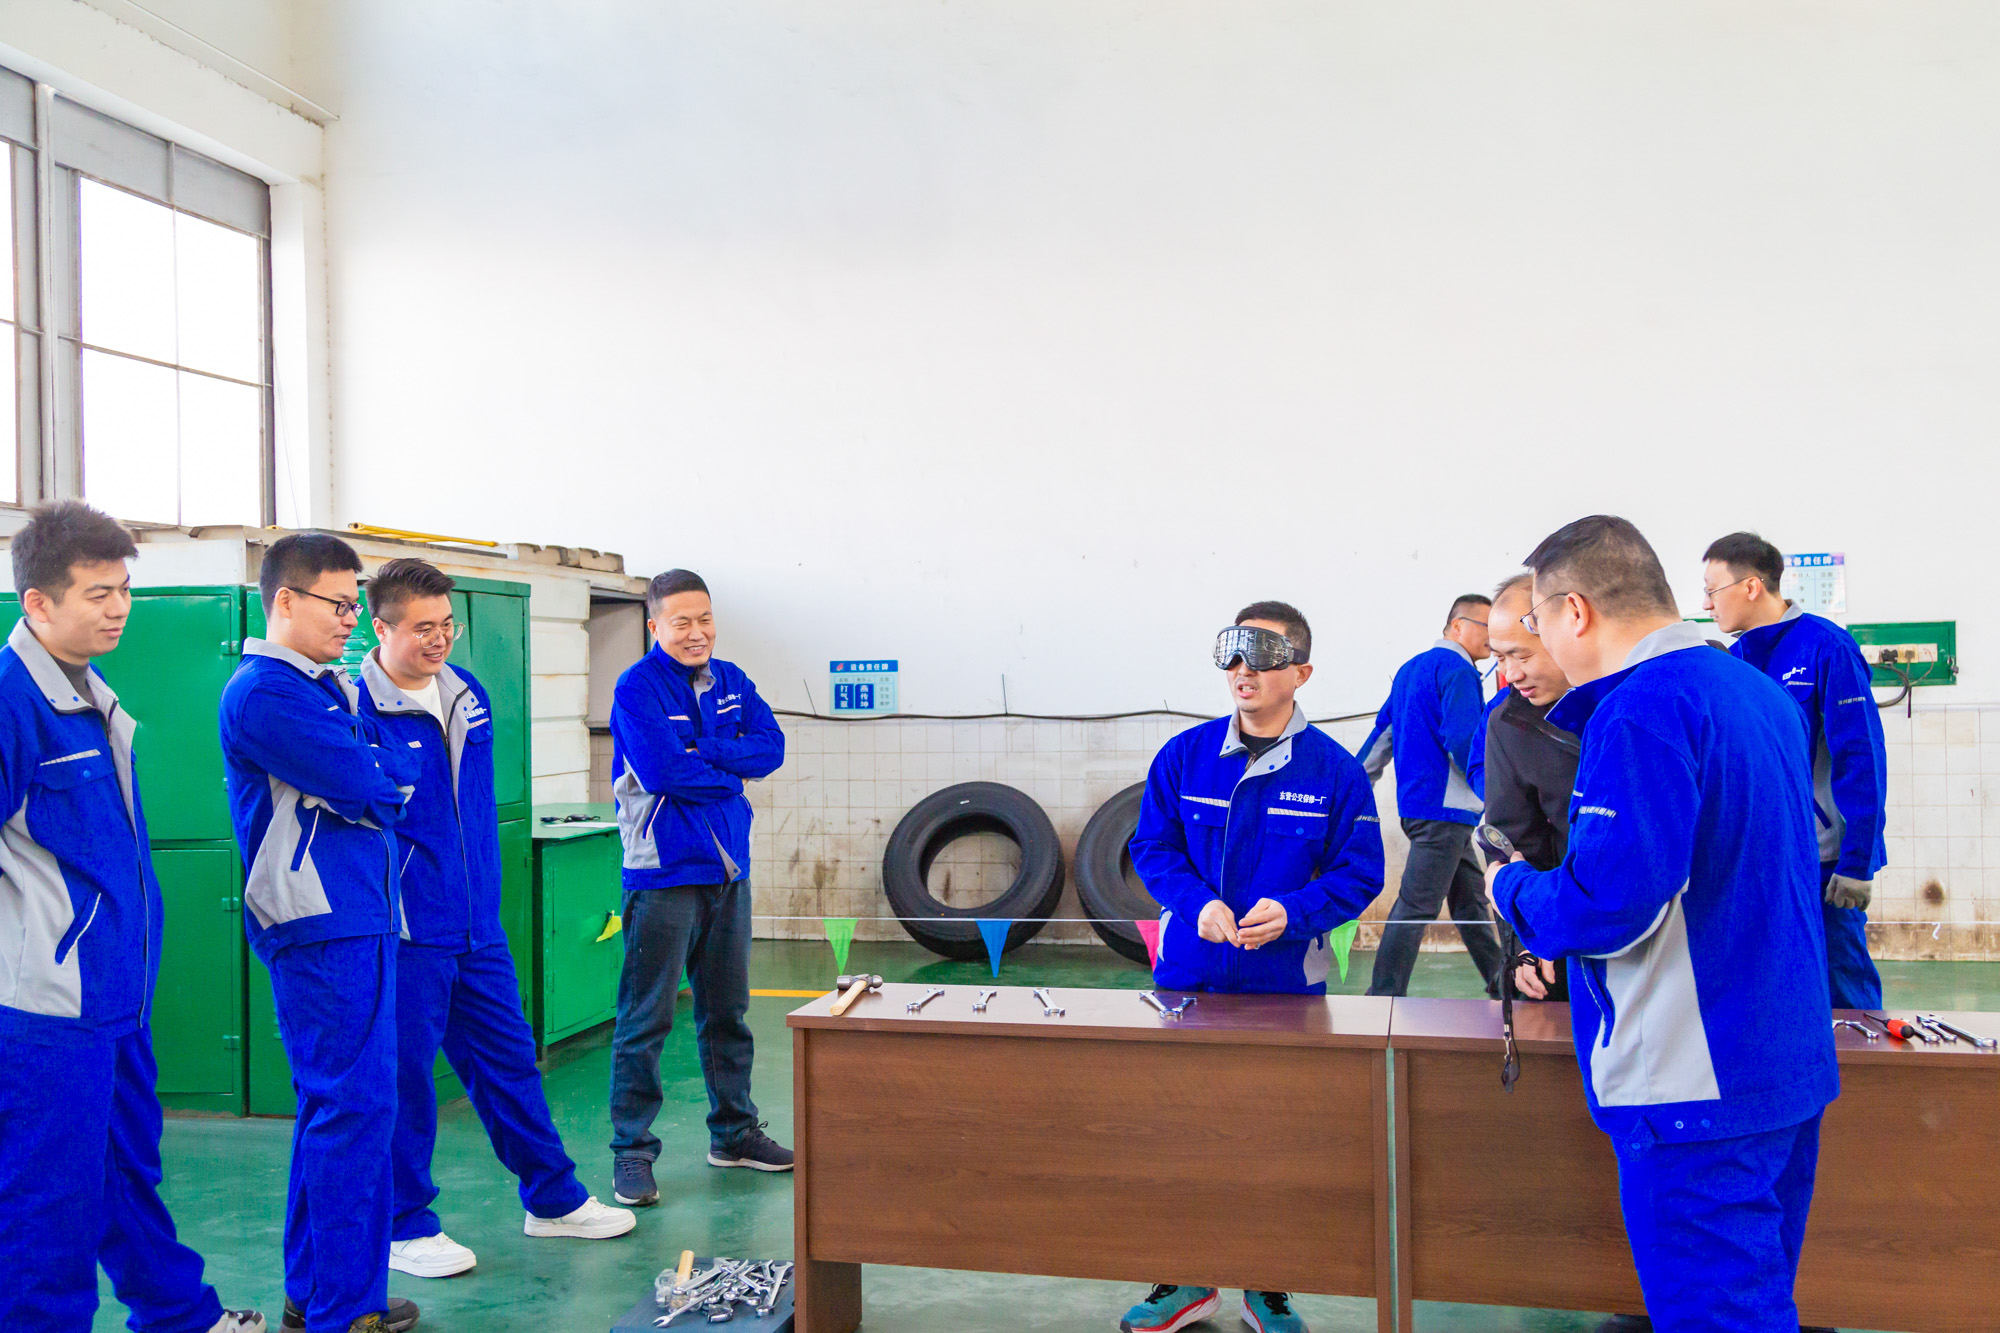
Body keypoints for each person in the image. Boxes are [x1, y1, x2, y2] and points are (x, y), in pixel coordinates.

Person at [1487, 516, 1836, 1333]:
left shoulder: (1641, 710)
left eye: (1535, 624)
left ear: (1575, 612)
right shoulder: (1753, 689)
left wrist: (1513, 889)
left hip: (1693, 1084)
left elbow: (1610, 904)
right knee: (1756, 1303)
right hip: (1781, 1061)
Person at [0, 502, 265, 1333]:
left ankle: (176, 1312)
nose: (118, 608)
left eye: (123, 589)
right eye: (97, 593)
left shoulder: (89, 691)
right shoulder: (11, 702)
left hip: (114, 993)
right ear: (38, 602)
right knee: (49, 1205)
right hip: (48, 1009)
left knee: (123, 1173)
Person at [354, 560, 634, 1279]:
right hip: (408, 930)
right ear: (380, 627)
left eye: (447, 625)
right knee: (407, 1079)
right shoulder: (355, 707)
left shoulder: (467, 693)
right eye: (423, 627)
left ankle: (553, 1199)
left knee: (510, 1063)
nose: (440, 638)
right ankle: (404, 1225)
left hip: (478, 925)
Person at [1120, 601, 1385, 1333]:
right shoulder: (1185, 755)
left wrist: (1296, 911)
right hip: (1189, 983)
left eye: (1263, 657)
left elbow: (1361, 871)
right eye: (1233, 655)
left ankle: (1269, 1284)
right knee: (1182, 1136)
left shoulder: (1335, 772)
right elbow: (1152, 848)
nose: (1244, 670)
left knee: (1277, 1139)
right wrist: (1195, 901)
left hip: (1284, 988)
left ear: (1302, 672)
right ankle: (1185, 1280)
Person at [219, 534, 422, 1333]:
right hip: (320, 919)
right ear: (284, 600)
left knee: (334, 1107)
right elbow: (368, 779)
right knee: (356, 1108)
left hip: (353, 910)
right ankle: (345, 1308)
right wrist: (375, 775)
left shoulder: (318, 685)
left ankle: (315, 1292)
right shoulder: (266, 693)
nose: (352, 620)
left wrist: (375, 774)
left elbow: (382, 772)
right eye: (338, 605)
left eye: (353, 606)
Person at [607, 569, 789, 1209]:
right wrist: (728, 770)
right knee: (646, 1019)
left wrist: (704, 750)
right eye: (680, 621)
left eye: (704, 618)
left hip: (727, 871)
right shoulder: (636, 689)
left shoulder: (732, 681)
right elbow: (662, 772)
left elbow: (771, 749)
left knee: (728, 1012)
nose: (696, 632)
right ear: (654, 625)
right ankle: (632, 1151)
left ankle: (734, 1135)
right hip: (663, 873)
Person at [1701, 532, 1888, 1010]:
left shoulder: (1826, 646)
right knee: (1773, 990)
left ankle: (1861, 1058)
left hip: (1822, 862)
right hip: (1761, 856)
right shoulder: (1736, 661)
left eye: (1712, 590)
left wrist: (1857, 862)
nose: (1706, 604)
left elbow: (1861, 755)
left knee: (1841, 988)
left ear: (1750, 587)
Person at [1358, 594, 1507, 997]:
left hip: (1421, 809)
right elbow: (1462, 740)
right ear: (1458, 626)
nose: (1493, 638)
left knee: (1470, 904)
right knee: (1416, 905)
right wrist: (1495, 791)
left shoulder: (1410, 669)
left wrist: (1356, 785)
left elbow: (1382, 736)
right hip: (1447, 812)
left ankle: (1501, 982)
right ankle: (1383, 995)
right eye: (1487, 627)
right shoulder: (1459, 670)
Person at [1483, 573, 1582, 1008]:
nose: (1511, 674)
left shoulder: (1635, 701)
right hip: (1567, 937)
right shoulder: (1509, 725)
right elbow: (1514, 845)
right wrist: (1524, 943)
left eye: (1520, 655)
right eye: (1499, 658)